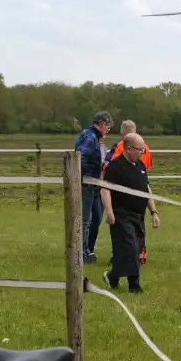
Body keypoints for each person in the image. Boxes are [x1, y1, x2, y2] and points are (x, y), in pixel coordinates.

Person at [100, 133, 160, 293]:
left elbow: (146, 189)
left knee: (136, 249)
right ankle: (134, 285)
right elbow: (105, 190)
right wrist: (109, 212)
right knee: (130, 248)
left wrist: (153, 211)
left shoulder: (140, 166)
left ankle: (112, 277)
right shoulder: (115, 166)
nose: (142, 153)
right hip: (121, 214)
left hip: (138, 215)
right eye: (140, 150)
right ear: (128, 149)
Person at [74, 111, 112, 264]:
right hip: (87, 183)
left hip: (91, 183)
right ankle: (81, 253)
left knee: (90, 218)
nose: (108, 130)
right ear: (102, 124)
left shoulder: (90, 135)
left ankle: (85, 250)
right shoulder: (90, 138)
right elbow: (81, 158)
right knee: (84, 220)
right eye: (108, 126)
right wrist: (87, 177)